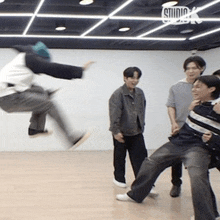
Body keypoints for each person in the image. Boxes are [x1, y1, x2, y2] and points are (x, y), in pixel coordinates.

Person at [116, 75, 220, 220]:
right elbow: (195, 125)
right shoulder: (196, 104)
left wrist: (214, 138)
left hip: (199, 148)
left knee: (197, 177)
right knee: (151, 162)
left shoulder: (218, 107)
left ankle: (206, 217)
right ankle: (136, 194)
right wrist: (180, 129)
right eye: (193, 86)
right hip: (180, 142)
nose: (194, 89)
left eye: (198, 86)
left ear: (211, 89)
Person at [0, 41, 94, 149]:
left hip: (9, 94)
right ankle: (71, 138)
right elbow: (53, 69)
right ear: (40, 57)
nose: (40, 72)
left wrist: (46, 93)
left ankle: (35, 129)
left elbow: (27, 87)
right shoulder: (31, 59)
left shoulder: (21, 62)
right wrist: (80, 70)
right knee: (49, 104)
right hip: (9, 98)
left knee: (40, 91)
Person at [108, 66, 157, 196]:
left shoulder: (140, 93)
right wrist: (115, 130)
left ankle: (145, 184)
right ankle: (119, 178)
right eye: (132, 78)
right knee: (120, 157)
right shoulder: (117, 94)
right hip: (121, 132)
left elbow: (142, 110)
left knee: (141, 158)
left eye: (137, 78)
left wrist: (142, 125)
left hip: (136, 131)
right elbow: (114, 113)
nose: (134, 81)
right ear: (125, 78)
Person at [166, 56, 206, 197]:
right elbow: (171, 106)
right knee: (175, 158)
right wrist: (174, 123)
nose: (190, 71)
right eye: (188, 68)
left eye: (194, 68)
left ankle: (202, 190)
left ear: (201, 69)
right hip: (182, 128)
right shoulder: (176, 87)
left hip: (201, 130)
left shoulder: (207, 86)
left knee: (201, 159)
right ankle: (176, 184)